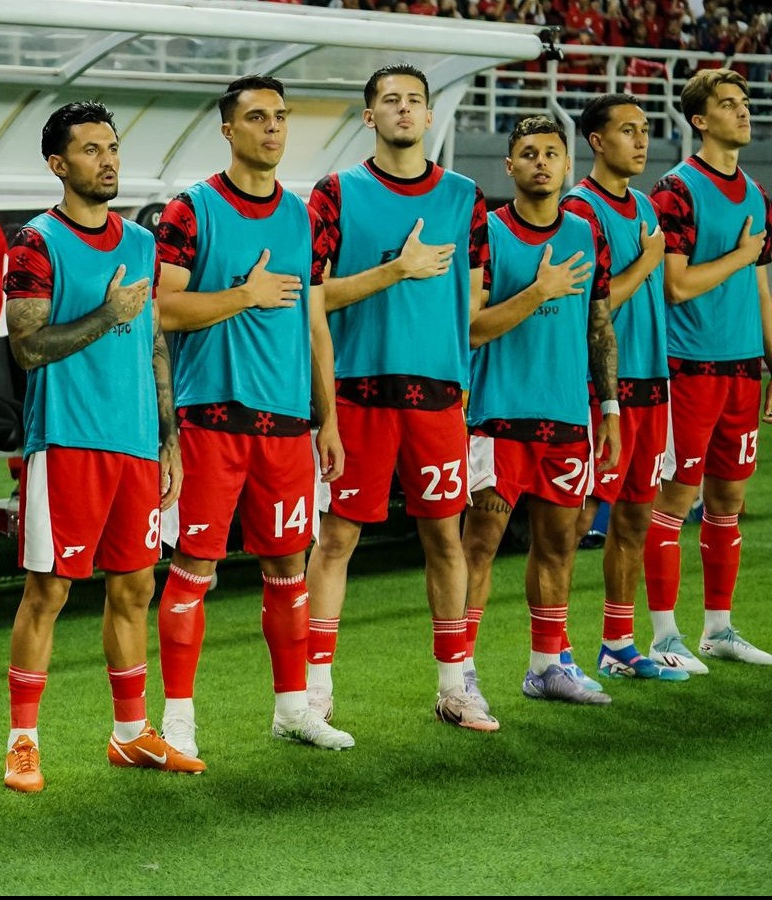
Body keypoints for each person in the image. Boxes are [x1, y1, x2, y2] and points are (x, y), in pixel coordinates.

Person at [150, 76, 354, 761]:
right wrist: (245, 295)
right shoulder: (190, 210)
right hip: (214, 419)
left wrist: (325, 418)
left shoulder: (305, 217)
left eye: (281, 117)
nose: (273, 128)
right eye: (257, 117)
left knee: (289, 569)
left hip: (288, 425)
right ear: (228, 130)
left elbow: (313, 325)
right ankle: (178, 718)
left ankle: (293, 709)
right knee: (193, 569)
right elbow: (164, 311)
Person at [0, 100, 199, 794]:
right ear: (59, 165)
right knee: (49, 591)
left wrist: (168, 436)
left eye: (112, 147)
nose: (108, 159)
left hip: (135, 443)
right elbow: (27, 347)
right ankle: (22, 743)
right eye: (91, 150)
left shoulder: (141, 243)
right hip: (67, 442)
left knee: (136, 587)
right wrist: (103, 315)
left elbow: (150, 343)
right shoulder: (34, 242)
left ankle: (130, 736)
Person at [304, 64, 495, 730]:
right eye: (391, 100)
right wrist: (397, 270)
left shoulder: (466, 197)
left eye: (415, 100)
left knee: (446, 538)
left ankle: (455, 685)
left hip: (438, 397)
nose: (405, 110)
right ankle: (313, 694)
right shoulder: (334, 194)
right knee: (337, 539)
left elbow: (473, 299)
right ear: (369, 117)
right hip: (359, 392)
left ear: (429, 116)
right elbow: (310, 299)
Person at [461, 115, 618, 708]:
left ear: (567, 164)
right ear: (509, 166)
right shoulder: (489, 234)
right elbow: (471, 329)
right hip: (498, 419)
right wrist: (539, 291)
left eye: (552, 152)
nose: (541, 162)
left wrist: (608, 407)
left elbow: (598, 323)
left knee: (560, 544)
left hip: (565, 419)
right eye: (528, 153)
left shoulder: (586, 232)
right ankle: (462, 672)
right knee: (480, 546)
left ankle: (548, 665)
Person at [645, 68, 772, 670]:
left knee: (727, 500)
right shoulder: (675, 190)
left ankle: (718, 628)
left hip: (744, 368)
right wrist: (743, 255)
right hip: (689, 366)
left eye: (744, 103)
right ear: (700, 120)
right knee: (675, 497)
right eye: (729, 104)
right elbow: (675, 286)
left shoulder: (757, 192)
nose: (743, 113)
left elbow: (764, 290)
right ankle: (663, 635)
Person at [560, 94, 688, 682]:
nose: (641, 141)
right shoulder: (578, 211)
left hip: (652, 382)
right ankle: (553, 651)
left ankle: (618, 643)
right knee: (572, 520)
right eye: (628, 130)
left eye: (645, 130)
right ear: (595, 140)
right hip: (601, 386)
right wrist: (650, 257)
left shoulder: (642, 204)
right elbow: (597, 301)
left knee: (635, 517)